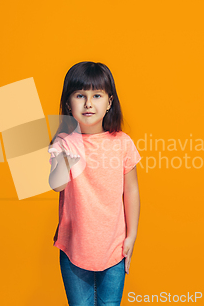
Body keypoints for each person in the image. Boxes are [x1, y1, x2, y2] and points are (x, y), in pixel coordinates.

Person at [47, 61, 142, 305]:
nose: (89, 103)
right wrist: (65, 161)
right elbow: (57, 185)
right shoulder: (65, 142)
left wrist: (131, 237)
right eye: (80, 95)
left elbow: (130, 190)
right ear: (69, 103)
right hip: (75, 248)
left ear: (109, 102)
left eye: (97, 95)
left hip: (114, 247)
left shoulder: (122, 142)